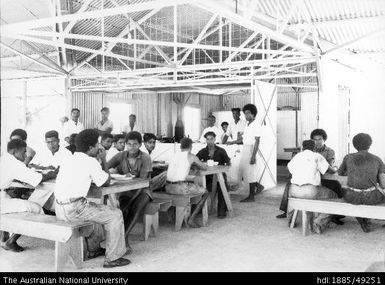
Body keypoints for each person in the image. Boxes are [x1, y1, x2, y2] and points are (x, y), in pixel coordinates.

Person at [54, 129, 130, 268]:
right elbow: (105, 182)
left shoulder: (69, 158)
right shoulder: (90, 161)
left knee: (96, 208)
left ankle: (94, 249)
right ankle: (113, 258)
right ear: (90, 148)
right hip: (74, 209)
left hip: (59, 208)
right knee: (115, 214)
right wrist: (104, 161)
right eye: (97, 145)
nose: (99, 148)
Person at [0, 139, 56, 252]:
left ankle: (6, 238)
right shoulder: (14, 164)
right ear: (14, 152)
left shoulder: (5, 159)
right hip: (2, 203)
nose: (25, 155)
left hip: (2, 197)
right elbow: (39, 179)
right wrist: (52, 173)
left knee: (26, 202)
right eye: (23, 152)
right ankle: (10, 241)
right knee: (35, 207)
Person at [276, 129, 342, 222]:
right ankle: (286, 210)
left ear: (324, 140)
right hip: (312, 182)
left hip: (324, 178)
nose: (317, 142)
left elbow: (329, 165)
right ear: (312, 142)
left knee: (335, 186)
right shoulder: (311, 151)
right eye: (315, 140)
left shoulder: (329, 151)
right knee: (289, 183)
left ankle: (335, 215)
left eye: (320, 139)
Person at [107, 131, 152, 245]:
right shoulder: (121, 155)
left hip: (143, 190)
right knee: (122, 206)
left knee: (137, 206)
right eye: (129, 144)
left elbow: (143, 182)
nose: (132, 147)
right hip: (126, 190)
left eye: (135, 144)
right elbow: (106, 167)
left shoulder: (145, 158)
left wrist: (131, 200)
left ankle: (123, 238)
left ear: (140, 144)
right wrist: (102, 158)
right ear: (125, 144)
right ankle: (122, 239)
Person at [287, 140, 338, 234]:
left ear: (302, 148)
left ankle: (290, 220)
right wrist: (335, 168)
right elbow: (330, 170)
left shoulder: (296, 156)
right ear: (314, 148)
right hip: (310, 191)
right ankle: (318, 223)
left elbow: (290, 169)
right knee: (334, 197)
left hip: (294, 190)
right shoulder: (316, 156)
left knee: (291, 194)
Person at [338, 133, 385, 233]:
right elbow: (383, 185)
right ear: (370, 144)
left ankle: (362, 218)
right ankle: (371, 218)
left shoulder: (348, 157)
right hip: (371, 197)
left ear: (354, 145)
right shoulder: (377, 159)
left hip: (351, 196)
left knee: (349, 194)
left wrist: (352, 172)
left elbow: (340, 172)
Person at [166, 137, 209, 228]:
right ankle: (191, 219)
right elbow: (204, 167)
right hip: (180, 188)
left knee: (192, 185)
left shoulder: (175, 155)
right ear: (191, 146)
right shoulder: (192, 156)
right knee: (205, 192)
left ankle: (175, 216)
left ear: (181, 147)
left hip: (168, 187)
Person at [196, 131, 231, 218]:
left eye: (211, 139)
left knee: (221, 187)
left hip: (219, 176)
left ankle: (221, 211)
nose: (210, 141)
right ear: (206, 140)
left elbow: (228, 163)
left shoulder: (221, 151)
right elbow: (195, 160)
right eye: (207, 139)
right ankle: (198, 209)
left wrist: (222, 167)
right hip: (207, 177)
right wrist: (201, 164)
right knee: (197, 185)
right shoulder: (203, 151)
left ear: (215, 139)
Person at [239, 104, 265, 202]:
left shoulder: (256, 124)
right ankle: (259, 186)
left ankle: (251, 196)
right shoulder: (247, 124)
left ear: (253, 114)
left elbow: (257, 141)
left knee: (250, 173)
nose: (246, 115)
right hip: (245, 148)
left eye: (248, 113)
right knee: (245, 171)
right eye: (245, 113)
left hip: (251, 149)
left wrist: (253, 156)